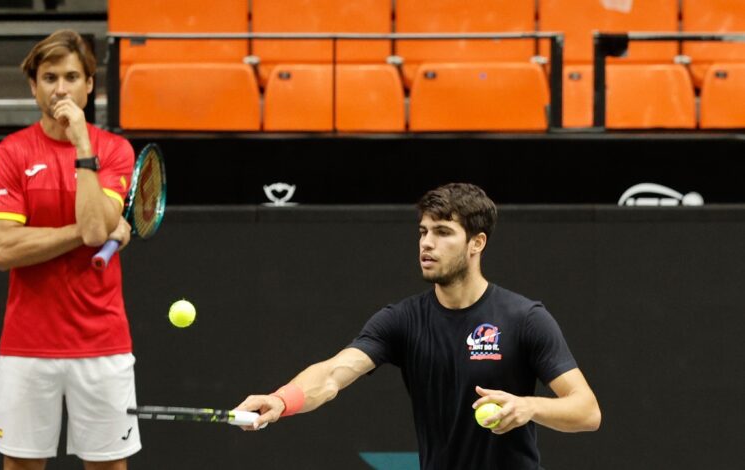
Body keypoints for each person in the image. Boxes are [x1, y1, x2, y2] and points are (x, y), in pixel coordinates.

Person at [237, 183, 601, 469]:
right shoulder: (402, 320)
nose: (427, 243)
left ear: (477, 243)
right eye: (423, 231)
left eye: (443, 232)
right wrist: (281, 400)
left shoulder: (525, 318)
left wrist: (529, 407)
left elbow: (586, 411)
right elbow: (332, 374)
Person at [0, 30, 140, 470]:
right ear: (33, 86)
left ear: (90, 85)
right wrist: (91, 231)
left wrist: (82, 147)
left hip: (103, 345)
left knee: (109, 466)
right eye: (49, 77)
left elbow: (96, 230)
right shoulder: (11, 153)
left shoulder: (114, 151)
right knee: (21, 466)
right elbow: (3, 249)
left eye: (72, 77)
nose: (60, 89)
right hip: (27, 345)